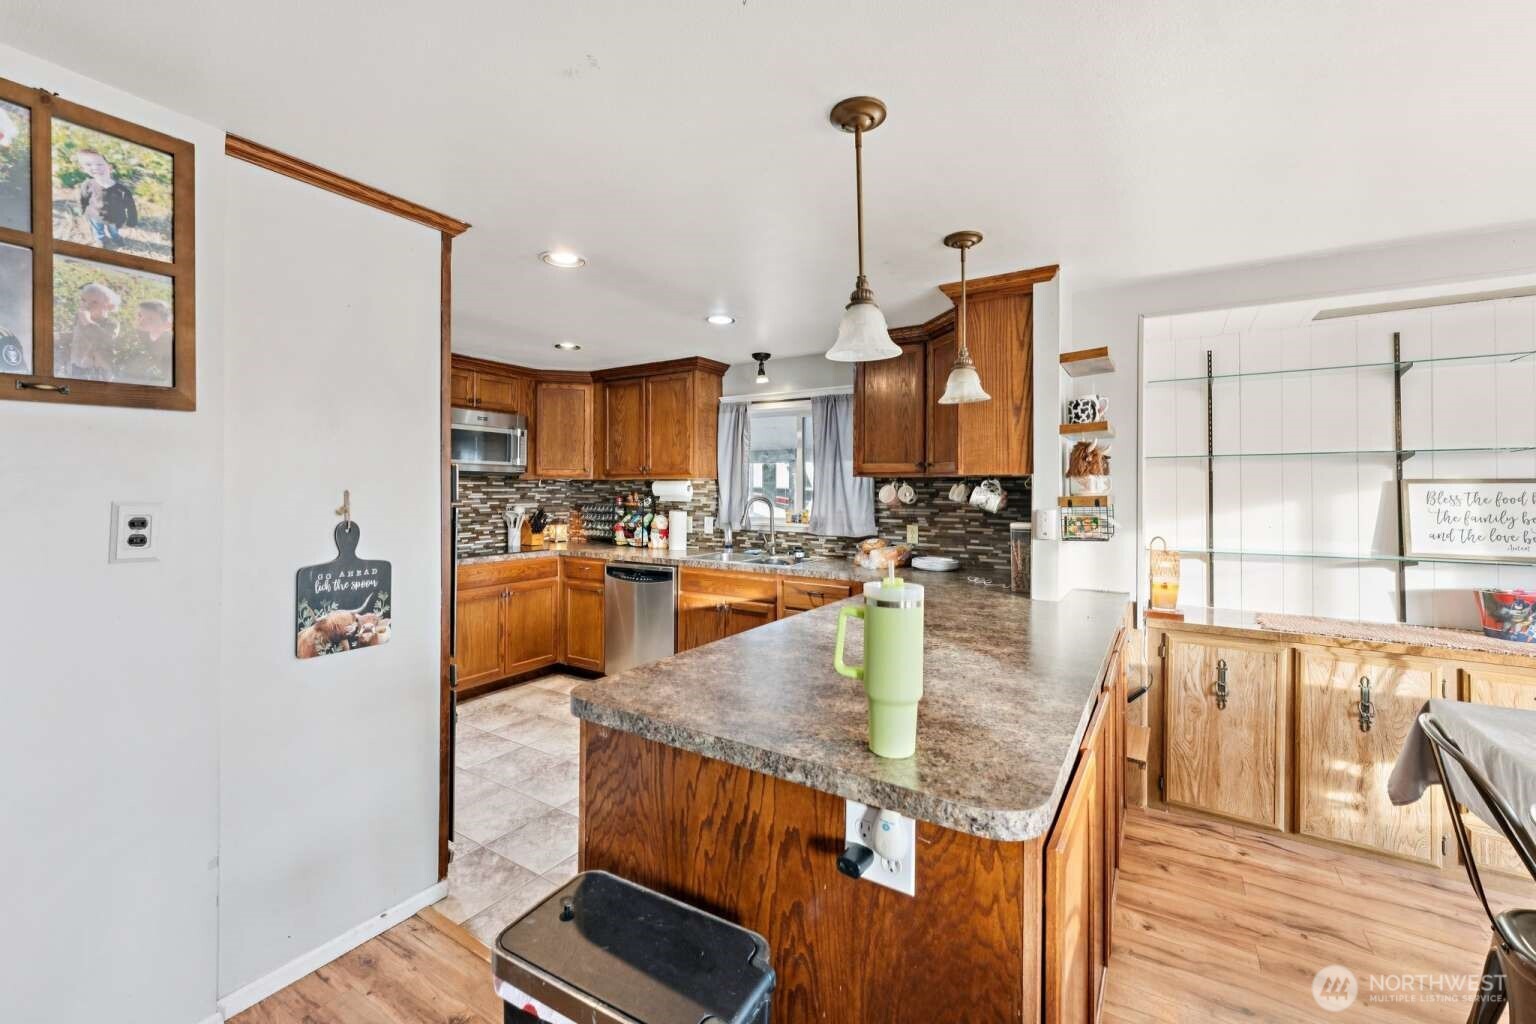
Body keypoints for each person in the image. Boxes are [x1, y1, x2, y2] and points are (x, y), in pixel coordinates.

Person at [74, 149, 137, 250]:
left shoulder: (122, 190)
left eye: (99, 164)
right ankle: (101, 239)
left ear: (110, 167)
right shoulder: (87, 185)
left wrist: (132, 220)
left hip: (113, 218)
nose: (95, 167)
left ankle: (115, 237)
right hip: (94, 215)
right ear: (84, 169)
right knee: (98, 229)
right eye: (89, 165)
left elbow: (131, 206)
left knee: (113, 230)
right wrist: (82, 210)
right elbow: (83, 199)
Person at [61, 281, 120, 380]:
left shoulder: (112, 324)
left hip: (97, 371)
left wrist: (87, 321)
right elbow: (76, 335)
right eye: (83, 300)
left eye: (95, 302)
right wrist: (60, 336)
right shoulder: (79, 318)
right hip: (76, 365)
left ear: (109, 306)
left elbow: (104, 340)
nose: (87, 305)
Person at [117, 298, 172, 385]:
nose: (142, 321)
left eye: (150, 319)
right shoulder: (134, 335)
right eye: (139, 315)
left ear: (165, 323)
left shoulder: (167, 340)